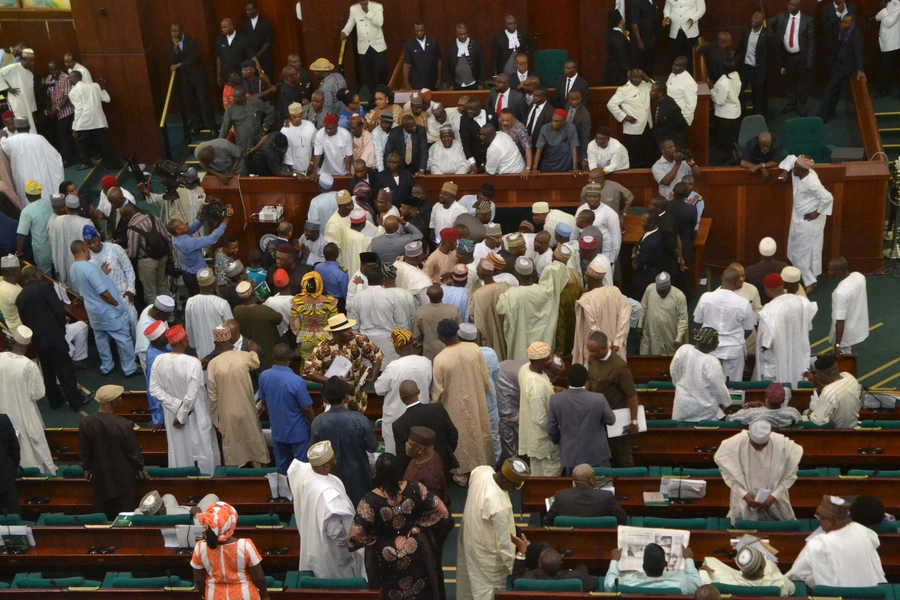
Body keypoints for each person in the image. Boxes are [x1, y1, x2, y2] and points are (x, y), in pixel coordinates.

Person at [349, 453, 449, 600]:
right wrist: (420, 524)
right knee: (419, 587)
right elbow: (441, 511)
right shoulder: (416, 488)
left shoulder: (369, 500)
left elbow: (355, 535)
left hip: (384, 554)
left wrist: (373, 540)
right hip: (414, 547)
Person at [149, 325, 220, 475]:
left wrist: (175, 406)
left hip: (173, 414)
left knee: (179, 448)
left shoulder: (158, 360)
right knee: (201, 447)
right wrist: (181, 414)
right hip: (193, 413)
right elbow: (192, 394)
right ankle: (207, 479)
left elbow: (154, 390)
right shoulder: (192, 362)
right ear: (183, 342)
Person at [288, 440, 365, 578]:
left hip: (311, 533)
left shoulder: (306, 473)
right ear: (327, 465)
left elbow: (295, 468)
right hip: (331, 548)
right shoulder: (328, 494)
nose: (336, 456)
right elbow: (335, 531)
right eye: (334, 457)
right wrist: (345, 545)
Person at [456, 458, 531, 600]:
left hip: (470, 540)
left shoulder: (481, 471)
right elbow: (504, 544)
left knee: (469, 587)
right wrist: (516, 562)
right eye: (515, 487)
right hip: (489, 560)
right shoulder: (499, 505)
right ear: (506, 482)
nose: (515, 491)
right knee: (487, 594)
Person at [431, 319, 493, 485]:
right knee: (478, 432)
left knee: (459, 438)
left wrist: (434, 406)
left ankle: (460, 475)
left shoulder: (440, 359)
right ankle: (481, 470)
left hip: (453, 406)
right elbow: (484, 377)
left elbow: (437, 391)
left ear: (441, 337)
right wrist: (483, 390)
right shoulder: (474, 349)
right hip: (476, 399)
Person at [79, 385, 148, 520]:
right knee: (124, 518)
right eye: (119, 398)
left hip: (100, 478)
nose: (121, 400)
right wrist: (141, 468)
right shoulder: (124, 424)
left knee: (103, 516)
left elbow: (84, 450)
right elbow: (134, 453)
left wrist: (87, 468)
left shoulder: (86, 422)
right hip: (124, 481)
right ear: (113, 402)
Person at [69, 240, 137, 377]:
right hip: (107, 310)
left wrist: (101, 273)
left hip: (93, 311)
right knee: (123, 338)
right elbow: (104, 294)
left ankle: (107, 365)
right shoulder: (90, 268)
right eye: (87, 249)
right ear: (83, 249)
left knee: (101, 338)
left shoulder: (74, 268)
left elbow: (86, 286)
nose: (90, 251)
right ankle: (129, 368)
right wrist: (116, 304)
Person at [785, 495, 886, 587]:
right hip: (872, 594)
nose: (819, 520)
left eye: (820, 517)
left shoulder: (819, 543)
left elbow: (795, 575)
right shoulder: (863, 531)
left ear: (831, 521)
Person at [715, 419, 802, 525]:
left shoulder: (784, 445)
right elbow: (727, 473)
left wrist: (774, 496)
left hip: (775, 499)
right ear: (749, 435)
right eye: (756, 445)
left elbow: (791, 475)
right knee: (744, 530)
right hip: (744, 498)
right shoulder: (733, 444)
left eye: (763, 445)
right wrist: (744, 495)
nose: (759, 448)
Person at [207, 325, 270, 467]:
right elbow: (256, 362)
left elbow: (212, 395)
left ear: (216, 344)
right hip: (247, 409)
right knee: (253, 440)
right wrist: (253, 352)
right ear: (231, 341)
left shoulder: (213, 364)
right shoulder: (244, 357)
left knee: (232, 446)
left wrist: (215, 418)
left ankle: (235, 477)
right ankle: (260, 474)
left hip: (227, 412)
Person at [310, 376, 378, 506]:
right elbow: (372, 447)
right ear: (346, 397)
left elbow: (313, 451)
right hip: (358, 478)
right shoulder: (360, 420)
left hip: (330, 478)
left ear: (325, 399)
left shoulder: (318, 422)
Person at [0, 325, 55, 475]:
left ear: (13, 341)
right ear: (29, 344)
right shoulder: (29, 366)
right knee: (29, 445)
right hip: (23, 410)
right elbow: (38, 394)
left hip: (2, 409)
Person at [303, 314, 384, 412]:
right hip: (334, 400)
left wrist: (373, 376)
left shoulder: (358, 339)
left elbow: (377, 355)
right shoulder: (323, 348)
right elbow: (307, 372)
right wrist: (329, 381)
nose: (350, 331)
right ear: (335, 334)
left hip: (357, 396)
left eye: (349, 327)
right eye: (345, 330)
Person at [191, 501, 270, 600]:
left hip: (214, 596)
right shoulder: (245, 545)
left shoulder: (199, 547)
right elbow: (259, 578)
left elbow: (198, 580)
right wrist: (265, 595)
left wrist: (204, 595)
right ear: (231, 521)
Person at [547, 363, 617, 474]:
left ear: (568, 380)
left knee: (575, 488)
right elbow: (611, 420)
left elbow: (551, 429)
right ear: (586, 380)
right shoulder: (598, 399)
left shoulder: (556, 400)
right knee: (602, 487)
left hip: (571, 455)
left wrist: (560, 442)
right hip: (598, 454)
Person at [584, 331, 640, 467]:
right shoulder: (592, 359)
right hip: (597, 417)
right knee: (599, 456)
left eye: (594, 351)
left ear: (604, 348)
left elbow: (631, 396)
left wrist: (634, 421)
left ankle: (629, 484)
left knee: (622, 456)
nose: (590, 354)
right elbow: (589, 382)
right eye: (589, 350)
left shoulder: (619, 367)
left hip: (616, 418)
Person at [258, 344, 314, 474]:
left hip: (277, 430)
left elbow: (264, 401)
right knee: (302, 468)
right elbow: (307, 408)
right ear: (290, 358)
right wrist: (314, 422)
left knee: (282, 467)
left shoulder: (264, 376)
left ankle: (284, 493)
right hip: (297, 431)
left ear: (273, 357)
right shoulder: (297, 381)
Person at [374, 329, 433, 455]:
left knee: (395, 455)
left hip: (397, 418)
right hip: (420, 417)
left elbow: (379, 389)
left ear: (397, 348)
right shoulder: (426, 362)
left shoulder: (394, 367)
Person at [693, 267, 757, 381]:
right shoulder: (743, 303)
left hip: (710, 347)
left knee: (710, 383)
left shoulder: (705, 298)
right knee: (733, 385)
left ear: (722, 278)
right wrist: (737, 339)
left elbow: (698, 322)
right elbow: (749, 330)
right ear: (738, 283)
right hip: (734, 349)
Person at [754, 273, 816, 385]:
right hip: (798, 352)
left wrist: (762, 349)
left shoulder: (769, 310)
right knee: (798, 380)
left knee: (779, 387)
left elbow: (766, 342)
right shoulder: (802, 301)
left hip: (778, 356)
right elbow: (808, 324)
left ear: (769, 289)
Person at [784, 156, 834, 293]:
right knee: (796, 248)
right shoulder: (798, 172)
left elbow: (828, 197)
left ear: (802, 170)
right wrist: (784, 170)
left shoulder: (812, 182)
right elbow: (790, 158)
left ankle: (810, 280)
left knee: (802, 251)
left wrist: (817, 213)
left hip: (810, 221)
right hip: (798, 217)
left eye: (795, 168)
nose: (792, 169)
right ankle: (806, 275)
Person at [517, 343, 562, 476]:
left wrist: (552, 389)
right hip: (544, 440)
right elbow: (540, 418)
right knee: (550, 475)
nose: (550, 361)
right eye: (548, 359)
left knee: (537, 474)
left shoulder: (525, 368)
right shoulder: (536, 385)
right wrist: (557, 430)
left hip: (533, 436)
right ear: (540, 361)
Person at [572, 259, 631, 363]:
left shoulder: (587, 299)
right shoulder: (615, 291)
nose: (584, 278)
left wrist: (606, 346)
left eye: (586, 276)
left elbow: (593, 328)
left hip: (597, 351)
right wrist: (617, 342)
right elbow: (624, 319)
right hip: (616, 350)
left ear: (593, 280)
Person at [169, 205, 233, 296]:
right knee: (204, 297)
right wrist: (226, 220)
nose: (185, 223)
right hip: (196, 276)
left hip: (188, 273)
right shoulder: (187, 243)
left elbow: (191, 228)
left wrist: (201, 219)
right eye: (181, 224)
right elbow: (211, 239)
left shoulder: (175, 237)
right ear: (178, 231)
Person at [671, 327, 732, 422]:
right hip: (704, 411)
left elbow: (674, 372)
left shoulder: (683, 349)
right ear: (713, 345)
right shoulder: (711, 362)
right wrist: (727, 403)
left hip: (682, 405)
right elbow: (718, 387)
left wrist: (680, 387)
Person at [2, 121, 64, 207]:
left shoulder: (10, 141)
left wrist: (3, 137)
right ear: (29, 127)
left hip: (23, 178)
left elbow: (4, 148)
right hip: (41, 175)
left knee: (28, 202)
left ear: (17, 128)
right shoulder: (39, 138)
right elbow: (55, 157)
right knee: (46, 198)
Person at [67, 71, 120, 170]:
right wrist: (103, 88)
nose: (68, 79)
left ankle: (86, 162)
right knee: (104, 142)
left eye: (70, 77)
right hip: (99, 119)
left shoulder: (73, 92)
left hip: (85, 119)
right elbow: (107, 99)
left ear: (76, 78)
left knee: (80, 141)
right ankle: (113, 163)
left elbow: (78, 109)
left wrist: (74, 127)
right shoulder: (95, 86)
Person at [770, 0, 815, 117]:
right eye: (788, 4)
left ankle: (801, 106)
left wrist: (809, 60)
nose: (789, 6)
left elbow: (811, 42)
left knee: (802, 83)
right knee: (790, 82)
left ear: (799, 6)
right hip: (787, 56)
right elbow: (768, 23)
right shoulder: (781, 16)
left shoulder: (807, 20)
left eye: (792, 5)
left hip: (801, 57)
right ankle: (790, 104)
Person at [169, 23, 215, 135]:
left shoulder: (192, 41)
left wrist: (179, 65)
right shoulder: (171, 45)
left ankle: (212, 125)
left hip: (197, 76)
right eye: (172, 31)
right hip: (184, 79)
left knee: (203, 100)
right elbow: (172, 61)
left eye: (176, 31)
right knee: (190, 102)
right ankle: (199, 123)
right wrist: (175, 50)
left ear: (182, 30)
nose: (174, 33)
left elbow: (193, 58)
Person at [605, 543, 701, 593]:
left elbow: (609, 586)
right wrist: (689, 559)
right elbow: (697, 585)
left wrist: (614, 561)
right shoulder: (681, 582)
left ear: (643, 567)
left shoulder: (627, 582)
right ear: (665, 565)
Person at [700, 545, 796, 596]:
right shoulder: (780, 583)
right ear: (762, 566)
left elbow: (706, 586)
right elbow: (792, 589)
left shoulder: (724, 582)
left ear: (741, 568)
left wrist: (703, 571)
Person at [509, 539, 599, 592]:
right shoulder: (574, 579)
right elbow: (595, 583)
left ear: (540, 564)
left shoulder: (528, 580)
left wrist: (521, 552)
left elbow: (516, 579)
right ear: (561, 563)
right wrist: (577, 571)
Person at [184, 268, 234, 360]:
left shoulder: (190, 302)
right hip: (222, 352)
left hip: (201, 351)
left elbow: (189, 327)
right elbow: (231, 329)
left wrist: (192, 344)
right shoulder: (222, 303)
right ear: (212, 285)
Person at [233, 281, 282, 369]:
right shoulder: (265, 311)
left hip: (248, 354)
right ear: (253, 294)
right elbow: (279, 318)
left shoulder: (236, 311)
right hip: (267, 354)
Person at [803, 355, 861, 428]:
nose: (816, 376)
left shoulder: (828, 392)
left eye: (817, 373)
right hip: (853, 429)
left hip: (835, 434)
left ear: (826, 373)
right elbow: (835, 389)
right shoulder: (849, 377)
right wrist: (816, 383)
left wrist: (809, 414)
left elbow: (818, 421)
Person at [638, 271, 688, 355]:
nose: (661, 294)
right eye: (659, 291)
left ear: (669, 287)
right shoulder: (650, 288)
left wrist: (679, 338)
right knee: (646, 358)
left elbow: (683, 319)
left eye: (663, 292)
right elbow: (643, 307)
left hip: (668, 335)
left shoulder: (679, 296)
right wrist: (640, 325)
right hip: (650, 331)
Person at [341, 1, 387, 90]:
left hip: (378, 45)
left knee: (381, 70)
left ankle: (383, 91)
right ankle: (372, 93)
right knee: (368, 72)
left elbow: (380, 22)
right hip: (364, 46)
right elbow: (350, 23)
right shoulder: (354, 8)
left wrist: (367, 11)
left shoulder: (377, 6)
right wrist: (344, 32)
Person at [828, 256, 868, 357]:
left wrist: (838, 344)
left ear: (839, 271)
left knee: (843, 357)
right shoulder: (859, 277)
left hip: (845, 333)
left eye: (831, 270)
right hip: (857, 325)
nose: (828, 272)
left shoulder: (840, 293)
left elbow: (840, 320)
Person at [736, 12, 773, 116]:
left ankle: (758, 116)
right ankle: (741, 114)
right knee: (739, 90)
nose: (753, 19)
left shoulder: (768, 34)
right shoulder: (747, 30)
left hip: (758, 70)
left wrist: (765, 67)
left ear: (762, 21)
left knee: (758, 95)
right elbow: (742, 45)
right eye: (752, 17)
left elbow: (771, 53)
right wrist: (734, 53)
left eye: (756, 18)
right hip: (746, 67)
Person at [48, 194, 90, 286]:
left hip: (62, 267)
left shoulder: (56, 221)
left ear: (66, 208)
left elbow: (52, 243)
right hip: (81, 268)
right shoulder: (86, 223)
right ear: (79, 208)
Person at [219, 85, 275, 153]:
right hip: (243, 145)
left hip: (258, 142)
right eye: (233, 96)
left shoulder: (255, 102)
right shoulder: (230, 109)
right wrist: (218, 145)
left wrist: (265, 127)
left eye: (237, 98)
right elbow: (225, 129)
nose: (233, 99)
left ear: (244, 97)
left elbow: (271, 110)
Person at [727, 383, 802, 427]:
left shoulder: (750, 413)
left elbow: (729, 418)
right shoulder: (793, 413)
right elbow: (786, 389)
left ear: (766, 399)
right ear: (783, 400)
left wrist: (746, 406)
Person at [532, 108, 581, 175]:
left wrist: (575, 168)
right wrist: (535, 168)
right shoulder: (544, 128)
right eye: (552, 120)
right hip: (547, 165)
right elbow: (539, 149)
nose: (553, 123)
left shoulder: (571, 128)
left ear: (564, 121)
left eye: (557, 121)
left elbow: (574, 148)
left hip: (564, 166)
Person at [710, 58, 742, 157]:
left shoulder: (724, 82)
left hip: (725, 115)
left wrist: (712, 90)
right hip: (735, 112)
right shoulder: (736, 75)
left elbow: (720, 101)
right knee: (732, 139)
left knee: (724, 142)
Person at [745, 238, 790, 304]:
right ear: (775, 250)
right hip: (783, 305)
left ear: (759, 251)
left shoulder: (749, 271)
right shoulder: (786, 268)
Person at [215, 18, 255, 88]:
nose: (222, 29)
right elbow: (218, 58)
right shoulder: (219, 40)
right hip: (225, 75)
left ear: (231, 26)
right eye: (222, 27)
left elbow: (251, 56)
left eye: (225, 27)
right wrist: (218, 74)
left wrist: (261, 72)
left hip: (240, 75)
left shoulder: (242, 39)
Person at [446, 23, 486, 91]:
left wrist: (480, 83)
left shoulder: (475, 46)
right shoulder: (451, 47)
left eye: (465, 34)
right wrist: (450, 84)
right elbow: (447, 66)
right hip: (457, 84)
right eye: (460, 34)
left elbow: (481, 65)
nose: (463, 36)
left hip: (473, 83)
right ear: (456, 34)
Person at [403, 21, 442, 90]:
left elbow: (439, 61)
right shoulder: (409, 45)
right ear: (414, 31)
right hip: (417, 82)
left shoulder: (433, 42)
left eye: (421, 30)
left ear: (424, 30)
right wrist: (406, 82)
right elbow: (406, 64)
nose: (420, 33)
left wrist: (439, 78)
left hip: (432, 81)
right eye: (417, 31)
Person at [631, 0, 663, 75]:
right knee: (642, 66)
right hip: (643, 40)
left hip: (653, 40)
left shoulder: (653, 1)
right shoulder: (636, 2)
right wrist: (639, 41)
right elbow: (634, 24)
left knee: (650, 65)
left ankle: (650, 82)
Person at [876, 0, 900, 98]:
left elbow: (889, 22)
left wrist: (883, 9)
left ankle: (885, 90)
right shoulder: (887, 4)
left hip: (893, 43)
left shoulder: (897, 4)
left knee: (888, 67)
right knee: (885, 67)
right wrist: (884, 10)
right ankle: (885, 89)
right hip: (886, 41)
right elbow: (877, 18)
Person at [666, 57, 698, 128]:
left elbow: (691, 105)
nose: (674, 67)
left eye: (677, 66)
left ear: (684, 67)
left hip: (679, 118)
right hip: (669, 116)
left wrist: (683, 120)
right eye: (674, 64)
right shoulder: (672, 74)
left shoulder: (689, 82)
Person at [0, 412, 19, 515]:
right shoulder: (2, 420)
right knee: (12, 525)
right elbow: (14, 450)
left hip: (5, 481)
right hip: (5, 482)